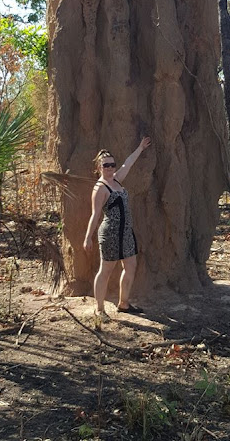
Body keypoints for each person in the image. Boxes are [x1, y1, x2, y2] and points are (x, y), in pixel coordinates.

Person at [83, 137, 151, 321]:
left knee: (130, 266)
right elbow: (95, 215)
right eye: (106, 165)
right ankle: (99, 309)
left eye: (112, 164)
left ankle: (124, 304)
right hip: (111, 234)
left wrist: (140, 148)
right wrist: (88, 237)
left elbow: (128, 164)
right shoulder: (100, 188)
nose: (110, 168)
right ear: (99, 167)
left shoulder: (117, 180)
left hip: (126, 233)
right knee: (105, 271)